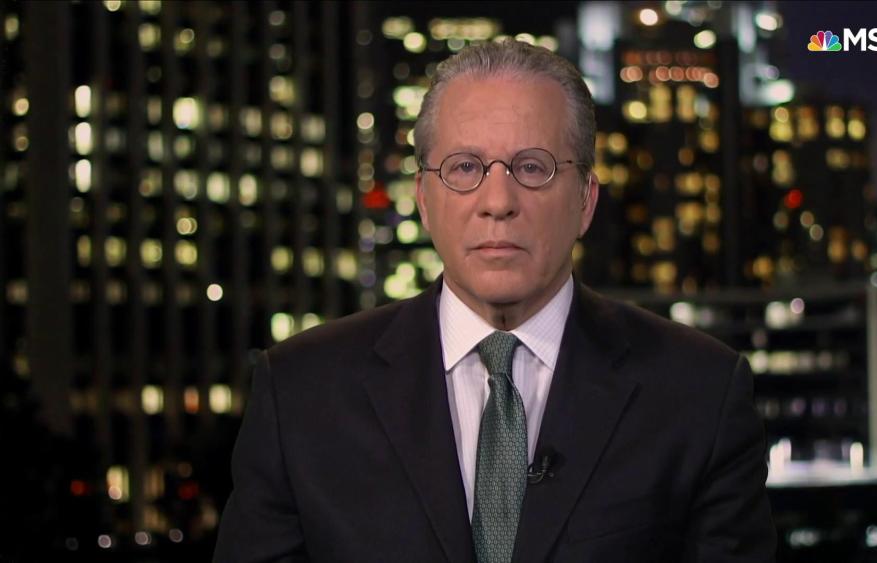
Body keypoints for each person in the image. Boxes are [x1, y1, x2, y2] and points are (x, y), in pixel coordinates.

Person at [214, 39, 775, 563]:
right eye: (465, 168)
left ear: (585, 200)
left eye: (532, 168)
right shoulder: (300, 393)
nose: (498, 201)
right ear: (424, 199)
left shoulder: (700, 394)